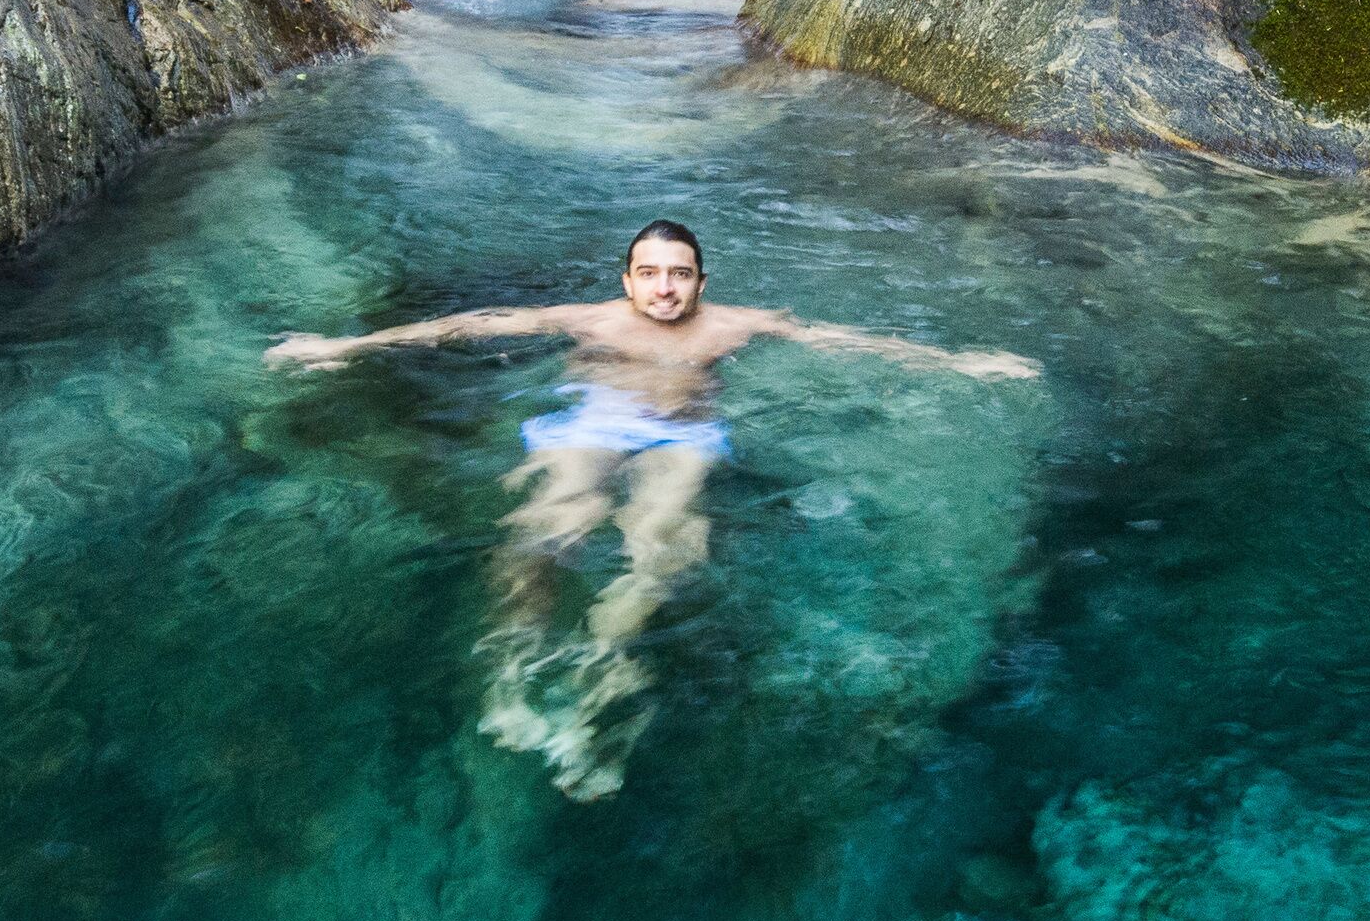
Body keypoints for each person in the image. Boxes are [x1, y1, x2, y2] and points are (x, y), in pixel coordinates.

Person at [268, 219, 1037, 797]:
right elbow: (467, 325)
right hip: (594, 423)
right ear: (627, 279)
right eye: (649, 273)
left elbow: (851, 342)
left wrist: (963, 363)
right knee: (550, 521)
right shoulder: (593, 319)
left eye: (680, 274)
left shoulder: (735, 325)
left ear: (702, 281)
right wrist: (341, 348)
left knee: (664, 542)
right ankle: (513, 663)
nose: (664, 287)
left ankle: (601, 666)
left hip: (682, 432)